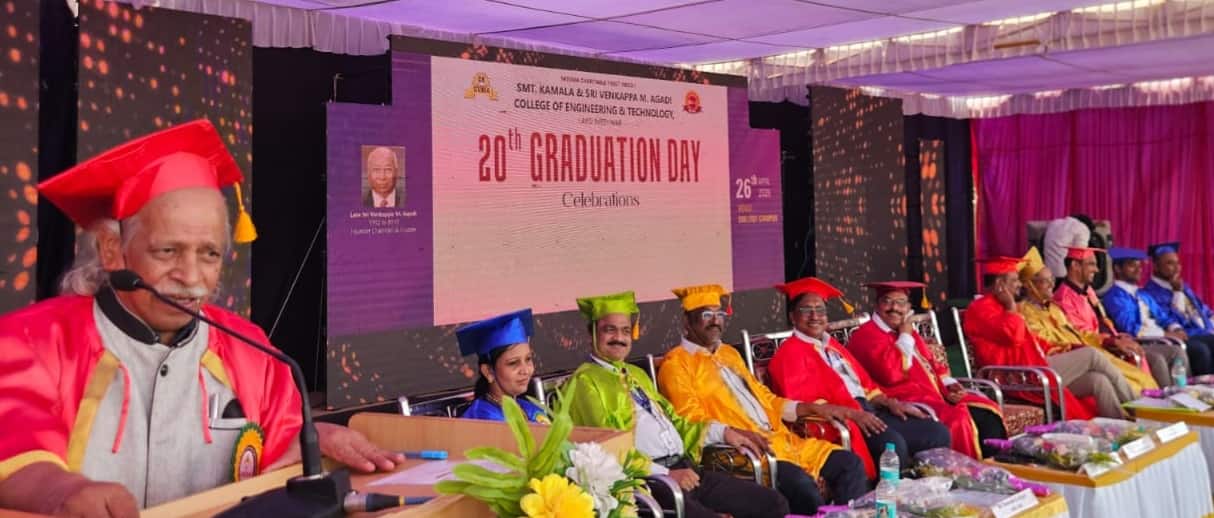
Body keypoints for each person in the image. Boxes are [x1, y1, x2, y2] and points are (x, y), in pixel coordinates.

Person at [0, 121, 403, 517]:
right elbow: (15, 447)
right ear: (111, 250)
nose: (191, 277)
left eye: (209, 254)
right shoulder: (31, 341)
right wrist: (63, 491)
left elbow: (278, 449)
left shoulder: (252, 351)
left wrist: (313, 439)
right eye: (167, 252)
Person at [560, 291, 790, 518]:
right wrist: (667, 473)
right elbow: (609, 448)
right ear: (591, 333)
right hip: (649, 482)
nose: (619, 337)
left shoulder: (636, 374)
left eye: (626, 330)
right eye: (609, 330)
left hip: (686, 469)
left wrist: (725, 432)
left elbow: (677, 423)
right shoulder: (585, 382)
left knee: (773, 503)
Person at [659, 284, 866, 515]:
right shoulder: (676, 365)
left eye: (720, 314)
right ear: (687, 322)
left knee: (850, 464)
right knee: (802, 486)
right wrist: (732, 432)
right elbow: (690, 420)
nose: (716, 321)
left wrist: (810, 408)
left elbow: (765, 398)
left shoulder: (729, 353)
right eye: (707, 314)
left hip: (781, 440)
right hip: (743, 453)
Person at [767, 277, 952, 474]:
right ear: (793, 317)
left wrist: (891, 403)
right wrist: (853, 414)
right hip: (843, 421)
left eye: (820, 310)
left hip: (870, 410)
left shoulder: (832, 345)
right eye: (806, 310)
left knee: (936, 432)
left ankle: (929, 486)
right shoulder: (789, 354)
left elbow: (865, 385)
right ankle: (893, 491)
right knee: (892, 444)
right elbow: (807, 405)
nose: (815, 316)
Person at [847, 281, 1006, 459]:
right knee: (961, 419)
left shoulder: (906, 331)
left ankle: (998, 465)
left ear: (908, 308)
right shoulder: (867, 335)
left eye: (901, 302)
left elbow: (931, 362)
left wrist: (949, 384)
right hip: (904, 401)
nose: (894, 308)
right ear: (877, 305)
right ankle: (968, 469)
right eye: (887, 301)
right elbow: (892, 374)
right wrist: (905, 335)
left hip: (934, 394)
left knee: (988, 410)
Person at [961, 257, 1094, 420]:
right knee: (1092, 355)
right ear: (999, 284)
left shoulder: (1003, 306)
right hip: (1016, 377)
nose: (1019, 284)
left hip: (1033, 366)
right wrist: (1010, 307)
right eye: (1015, 280)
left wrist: (1063, 348)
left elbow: (1031, 341)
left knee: (1097, 381)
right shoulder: (981, 309)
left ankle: (1121, 422)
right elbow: (1014, 337)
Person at [1018, 247, 1157, 396]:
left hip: (1089, 347)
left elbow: (1078, 333)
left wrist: (1111, 340)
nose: (1052, 284)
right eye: (1046, 281)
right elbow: (1048, 344)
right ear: (1029, 285)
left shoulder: (1053, 308)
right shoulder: (1027, 313)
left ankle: (1151, 402)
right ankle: (1139, 403)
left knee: (1137, 373)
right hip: (1067, 358)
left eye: (1052, 279)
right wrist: (1099, 343)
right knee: (1125, 375)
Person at [1053, 246, 1187, 386]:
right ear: (1075, 265)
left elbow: (1105, 323)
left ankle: (1177, 394)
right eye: (1091, 264)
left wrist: (1117, 337)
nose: (1096, 270)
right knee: (1151, 363)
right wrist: (1112, 341)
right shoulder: (1064, 299)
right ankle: (1158, 397)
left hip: (1110, 343)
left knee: (1176, 351)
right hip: (1095, 350)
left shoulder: (1088, 291)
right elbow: (1079, 335)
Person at [1103, 247, 1213, 376]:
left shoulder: (1142, 293)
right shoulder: (1115, 297)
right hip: (1147, 340)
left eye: (1139, 265)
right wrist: (1165, 334)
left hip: (1165, 337)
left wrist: (1176, 329)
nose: (1138, 269)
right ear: (1117, 269)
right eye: (1132, 266)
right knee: (1200, 350)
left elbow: (1163, 317)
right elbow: (1130, 327)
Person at [456, 309, 548, 423]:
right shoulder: (482, 421)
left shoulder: (530, 409)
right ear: (488, 371)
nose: (525, 371)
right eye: (513, 363)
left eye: (528, 359)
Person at [1142, 242, 1214, 374]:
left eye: (1178, 263)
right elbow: (1171, 320)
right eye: (1170, 263)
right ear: (1156, 267)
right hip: (1182, 335)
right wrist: (1177, 293)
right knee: (1203, 348)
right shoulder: (1150, 292)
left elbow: (1203, 310)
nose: (1177, 268)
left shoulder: (1182, 286)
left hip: (1202, 330)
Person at [1042, 214, 1094, 280]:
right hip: (1065, 275)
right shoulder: (1083, 228)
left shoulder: (1054, 223)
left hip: (1047, 273)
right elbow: (1080, 254)